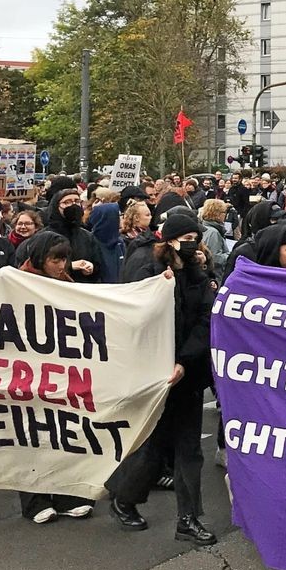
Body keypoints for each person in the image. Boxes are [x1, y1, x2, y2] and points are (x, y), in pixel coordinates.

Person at [107, 213, 217, 546]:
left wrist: (184, 362)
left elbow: (204, 320)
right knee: (154, 447)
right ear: (168, 240)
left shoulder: (198, 276)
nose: (192, 244)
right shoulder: (150, 271)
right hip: (155, 376)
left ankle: (188, 519)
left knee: (188, 450)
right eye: (185, 237)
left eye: (195, 238)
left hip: (186, 375)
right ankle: (123, 496)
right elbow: (136, 319)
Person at [14, 232, 99, 523]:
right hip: (27, 372)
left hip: (60, 372)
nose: (62, 265)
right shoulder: (15, 281)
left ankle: (65, 493)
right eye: (55, 259)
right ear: (39, 259)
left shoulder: (67, 283)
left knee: (62, 432)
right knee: (32, 434)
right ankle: (34, 500)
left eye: (65, 258)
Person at [32, 189, 104, 283]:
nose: (73, 205)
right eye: (67, 202)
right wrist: (70, 266)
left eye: (77, 201)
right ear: (56, 207)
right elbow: (36, 267)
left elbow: (98, 265)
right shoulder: (44, 237)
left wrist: (91, 268)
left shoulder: (87, 236)